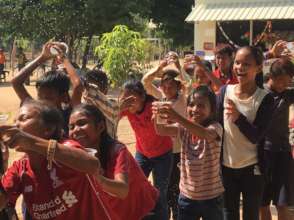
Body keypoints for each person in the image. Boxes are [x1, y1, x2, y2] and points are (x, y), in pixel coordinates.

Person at [0, 100, 119, 220]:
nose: (15, 126)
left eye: (23, 118)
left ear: (48, 129)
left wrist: (31, 142)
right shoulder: (19, 167)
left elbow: (92, 165)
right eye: (15, 122)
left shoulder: (66, 148)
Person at [69, 104, 159, 220]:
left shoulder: (116, 151)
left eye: (82, 123)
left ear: (101, 127)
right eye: (71, 127)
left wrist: (97, 177)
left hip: (146, 211)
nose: (76, 130)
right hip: (120, 214)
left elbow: (122, 190)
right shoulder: (75, 154)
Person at [217, 46, 275, 220]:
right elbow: (215, 127)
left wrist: (238, 118)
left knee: (251, 214)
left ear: (258, 68)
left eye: (246, 64)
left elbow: (256, 136)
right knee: (229, 214)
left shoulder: (265, 99)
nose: (240, 67)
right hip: (226, 167)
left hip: (253, 169)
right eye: (237, 62)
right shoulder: (224, 92)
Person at [153, 85, 224, 220]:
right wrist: (156, 117)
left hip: (211, 198)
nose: (195, 109)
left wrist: (177, 117)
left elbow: (204, 134)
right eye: (191, 105)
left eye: (201, 105)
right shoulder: (183, 128)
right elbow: (161, 130)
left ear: (212, 110)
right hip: (187, 197)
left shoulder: (215, 127)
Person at [119, 79, 173, 220]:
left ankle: (162, 217)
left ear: (142, 97)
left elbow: (168, 125)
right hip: (142, 153)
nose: (129, 102)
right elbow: (110, 117)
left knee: (160, 191)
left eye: (132, 98)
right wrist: (120, 106)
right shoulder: (127, 109)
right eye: (126, 98)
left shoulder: (154, 106)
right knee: (135, 186)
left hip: (163, 154)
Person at [142, 59, 186, 220]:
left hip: (178, 151)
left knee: (177, 187)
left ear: (178, 87)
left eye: (171, 87)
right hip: (162, 152)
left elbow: (187, 82)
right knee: (163, 187)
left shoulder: (183, 98)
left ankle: (178, 215)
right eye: (164, 86)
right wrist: (159, 68)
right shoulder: (160, 96)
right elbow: (145, 82)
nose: (167, 90)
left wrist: (179, 67)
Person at [11, 42, 83, 134]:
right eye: (40, 98)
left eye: (49, 98)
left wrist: (64, 59)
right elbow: (16, 82)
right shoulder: (35, 112)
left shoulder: (71, 113)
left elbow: (77, 86)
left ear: (64, 97)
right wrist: (42, 57)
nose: (43, 102)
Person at [260, 58, 294, 220]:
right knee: (263, 202)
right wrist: (271, 55)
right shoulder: (260, 92)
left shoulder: (288, 95)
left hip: (283, 153)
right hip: (263, 154)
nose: (283, 85)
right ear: (271, 76)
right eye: (280, 81)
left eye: (287, 82)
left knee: (282, 203)